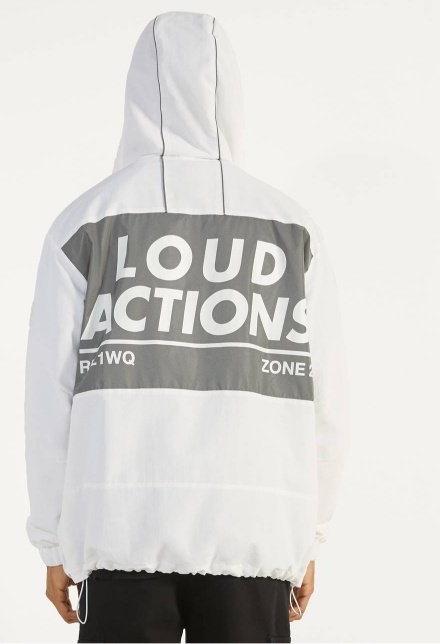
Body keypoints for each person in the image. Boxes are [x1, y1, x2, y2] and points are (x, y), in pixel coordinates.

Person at [24, 11, 350, 644]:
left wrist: (54, 539)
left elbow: (50, 395)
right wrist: (306, 536)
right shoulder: (292, 228)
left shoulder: (86, 222)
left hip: (119, 528)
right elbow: (326, 401)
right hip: (252, 531)